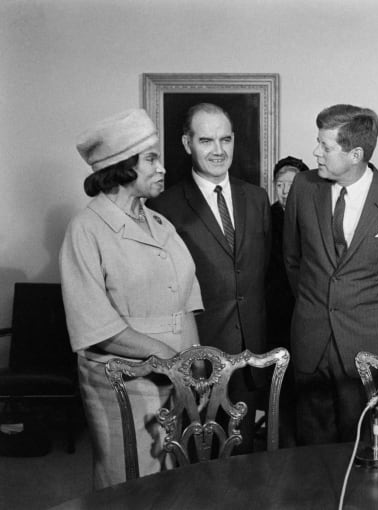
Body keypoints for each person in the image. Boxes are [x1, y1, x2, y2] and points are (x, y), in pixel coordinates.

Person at [60, 109, 203, 488]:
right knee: (130, 483)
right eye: (151, 159)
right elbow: (96, 328)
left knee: (174, 482)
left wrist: (196, 363)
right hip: (121, 383)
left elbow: (185, 300)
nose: (163, 168)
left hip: (176, 379)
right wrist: (171, 358)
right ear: (123, 167)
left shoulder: (160, 223)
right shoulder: (87, 230)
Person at [283, 104, 378, 445]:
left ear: (356, 153)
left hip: (368, 347)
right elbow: (292, 260)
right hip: (310, 342)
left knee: (362, 449)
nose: (316, 152)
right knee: (309, 452)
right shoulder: (303, 187)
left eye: (325, 147)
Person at [146, 103, 271, 454]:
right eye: (206, 140)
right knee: (201, 463)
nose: (218, 150)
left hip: (249, 357)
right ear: (187, 144)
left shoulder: (257, 198)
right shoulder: (164, 207)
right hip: (198, 357)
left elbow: (267, 276)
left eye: (225, 139)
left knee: (247, 461)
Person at [267, 156, 309, 447]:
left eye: (291, 185)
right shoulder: (265, 216)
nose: (284, 191)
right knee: (277, 388)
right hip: (275, 313)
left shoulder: (312, 216)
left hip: (305, 312)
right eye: (279, 184)